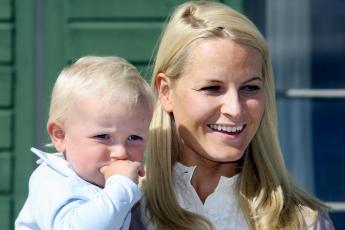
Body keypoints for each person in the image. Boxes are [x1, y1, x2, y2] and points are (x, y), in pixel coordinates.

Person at [135, 1, 335, 230]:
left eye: (250, 88)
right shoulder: (123, 211)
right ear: (166, 92)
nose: (235, 108)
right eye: (212, 88)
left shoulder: (303, 221)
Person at [15, 56, 154, 230]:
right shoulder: (52, 181)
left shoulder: (123, 186)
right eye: (103, 136)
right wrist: (121, 186)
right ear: (61, 136)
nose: (121, 152)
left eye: (134, 138)